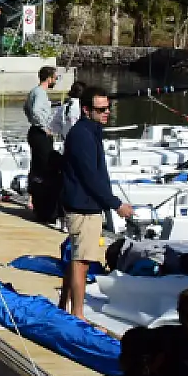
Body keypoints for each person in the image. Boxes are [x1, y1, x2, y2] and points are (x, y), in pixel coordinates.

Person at [58, 86, 133, 319]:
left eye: (108, 108)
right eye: (101, 109)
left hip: (85, 204)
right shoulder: (82, 135)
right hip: (83, 207)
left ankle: (63, 306)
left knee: (77, 258)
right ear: (86, 109)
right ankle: (77, 314)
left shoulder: (91, 131)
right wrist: (116, 204)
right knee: (81, 262)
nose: (106, 112)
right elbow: (90, 176)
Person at [23, 65, 60, 224]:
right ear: (49, 78)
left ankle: (37, 202)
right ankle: (44, 207)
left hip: (34, 131)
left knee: (37, 167)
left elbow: (26, 108)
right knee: (45, 168)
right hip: (40, 133)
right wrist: (44, 126)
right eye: (56, 77)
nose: (56, 80)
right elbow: (36, 110)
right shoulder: (40, 93)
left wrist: (32, 120)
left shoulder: (34, 91)